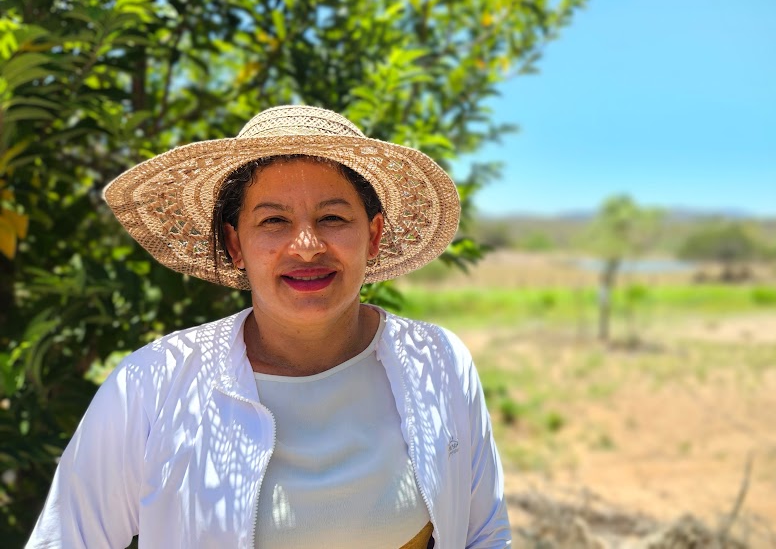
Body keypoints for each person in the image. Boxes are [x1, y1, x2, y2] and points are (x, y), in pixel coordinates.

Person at [26, 105, 511, 548]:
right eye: (273, 221)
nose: (307, 245)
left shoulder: (438, 361)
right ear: (235, 244)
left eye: (333, 217)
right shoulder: (153, 385)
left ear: (374, 235)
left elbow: (484, 534)